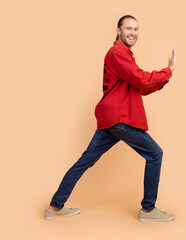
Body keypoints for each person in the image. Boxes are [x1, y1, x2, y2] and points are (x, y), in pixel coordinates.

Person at [45, 15, 176, 222]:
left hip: (111, 120)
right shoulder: (117, 52)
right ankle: (148, 210)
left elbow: (138, 87)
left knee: (84, 161)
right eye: (128, 28)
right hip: (120, 118)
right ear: (118, 31)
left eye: (136, 29)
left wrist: (164, 79)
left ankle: (54, 207)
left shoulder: (124, 55)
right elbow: (140, 78)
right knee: (155, 154)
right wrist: (166, 71)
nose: (133, 32)